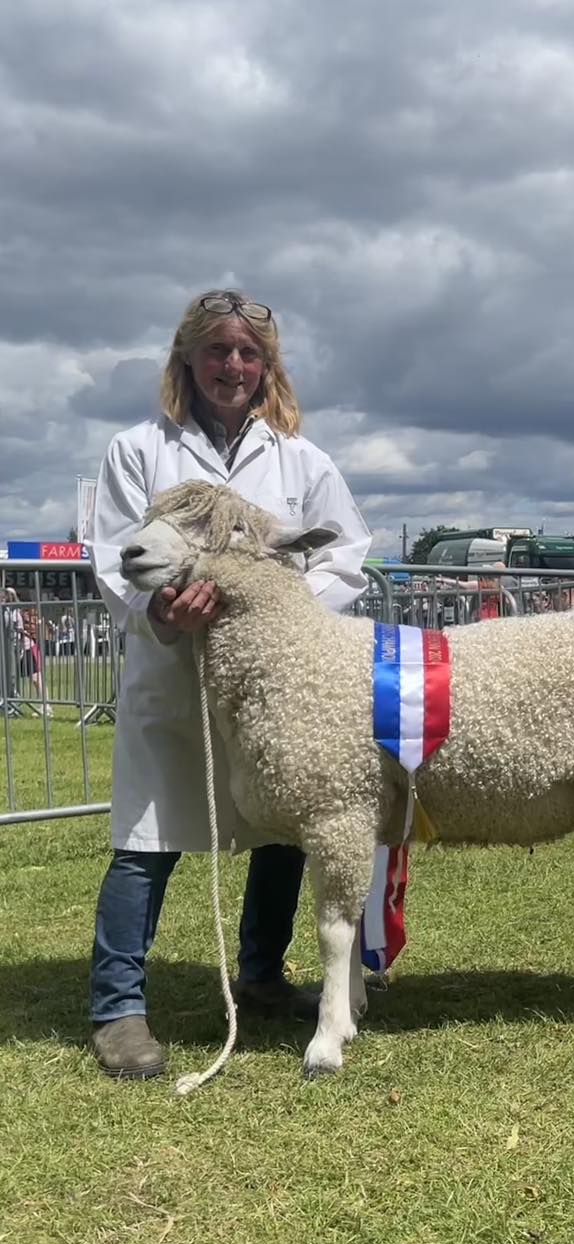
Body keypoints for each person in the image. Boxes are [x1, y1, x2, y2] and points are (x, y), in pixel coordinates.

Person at [87, 288, 372, 1080]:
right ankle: (117, 1009)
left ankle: (261, 972)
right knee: (147, 839)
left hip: (267, 689)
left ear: (267, 366)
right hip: (173, 676)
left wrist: (277, 611)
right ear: (187, 356)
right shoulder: (138, 450)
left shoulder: (300, 459)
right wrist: (160, 610)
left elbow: (345, 556)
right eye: (217, 349)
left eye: (249, 353)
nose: (233, 365)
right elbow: (114, 556)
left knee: (281, 830)